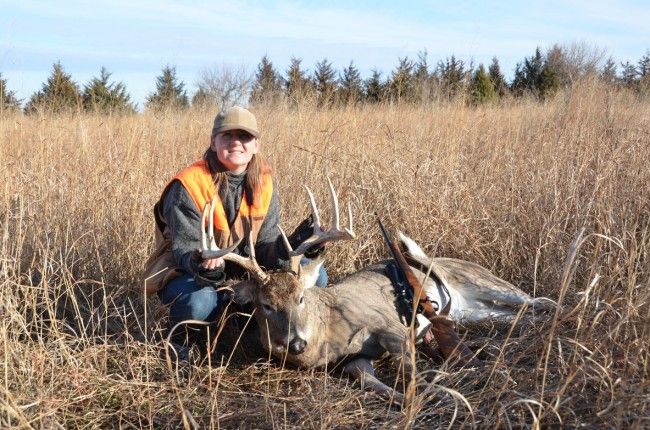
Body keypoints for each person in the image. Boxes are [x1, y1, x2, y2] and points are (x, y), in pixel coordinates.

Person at [142, 106, 325, 358]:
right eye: (227, 136)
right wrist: (204, 265)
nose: (236, 142)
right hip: (189, 272)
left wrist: (291, 246)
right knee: (200, 303)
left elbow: (265, 248)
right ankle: (181, 341)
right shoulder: (188, 185)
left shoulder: (263, 182)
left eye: (244, 137)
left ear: (256, 145)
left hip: (247, 272)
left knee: (318, 275)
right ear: (213, 141)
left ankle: (284, 335)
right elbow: (184, 249)